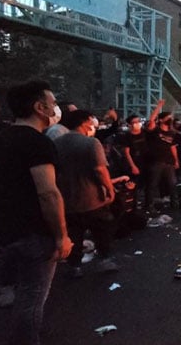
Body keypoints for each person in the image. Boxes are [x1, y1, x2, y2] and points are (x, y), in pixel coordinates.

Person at [0, 80, 73, 344]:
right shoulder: (38, 143)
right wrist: (61, 235)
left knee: (23, 290)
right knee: (32, 297)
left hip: (7, 227)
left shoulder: (3, 138)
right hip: (35, 232)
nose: (55, 108)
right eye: (53, 102)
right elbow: (48, 192)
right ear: (40, 107)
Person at [54, 110, 117, 277]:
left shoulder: (56, 143)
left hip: (67, 198)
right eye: (91, 120)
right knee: (101, 230)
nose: (93, 123)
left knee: (74, 233)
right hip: (93, 198)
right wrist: (110, 189)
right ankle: (105, 260)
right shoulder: (91, 143)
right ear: (83, 122)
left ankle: (74, 266)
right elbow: (100, 170)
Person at [144, 100, 180, 211]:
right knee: (153, 184)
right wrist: (159, 106)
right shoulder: (156, 130)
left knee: (173, 184)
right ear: (161, 120)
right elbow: (151, 121)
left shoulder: (171, 132)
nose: (171, 120)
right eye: (168, 118)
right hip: (156, 161)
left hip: (168, 161)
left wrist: (176, 160)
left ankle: (175, 204)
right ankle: (149, 205)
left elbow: (172, 147)